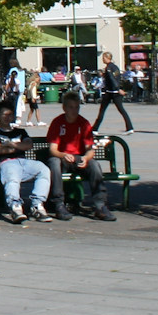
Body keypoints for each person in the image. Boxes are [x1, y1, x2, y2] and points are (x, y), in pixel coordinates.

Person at [48, 91, 114, 220]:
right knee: (54, 163)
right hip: (62, 157)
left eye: (77, 107)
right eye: (71, 107)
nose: (74, 110)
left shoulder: (83, 123)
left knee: (94, 165)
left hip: (78, 157)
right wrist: (64, 155)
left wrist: (86, 158)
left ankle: (100, 205)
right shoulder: (57, 122)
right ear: (64, 108)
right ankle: (59, 203)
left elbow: (89, 149)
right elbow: (53, 150)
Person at [0, 104, 50, 224]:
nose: (7, 117)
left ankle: (37, 204)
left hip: (23, 162)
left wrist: (10, 145)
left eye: (10, 114)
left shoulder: (20, 131)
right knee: (12, 176)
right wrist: (19, 147)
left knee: (43, 169)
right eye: (4, 114)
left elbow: (29, 145)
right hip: (6, 162)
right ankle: (15, 206)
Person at [91, 51, 135, 134]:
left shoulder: (108, 68)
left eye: (103, 58)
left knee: (102, 110)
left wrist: (118, 89)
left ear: (108, 58)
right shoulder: (115, 67)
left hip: (111, 92)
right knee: (122, 110)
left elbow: (112, 79)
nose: (102, 59)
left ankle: (94, 129)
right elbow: (119, 78)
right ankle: (130, 128)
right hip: (115, 92)